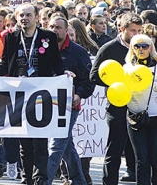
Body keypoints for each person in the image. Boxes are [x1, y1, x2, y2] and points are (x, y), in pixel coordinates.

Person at [0, 4, 68, 185]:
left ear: (37, 17)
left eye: (28, 15)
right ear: (17, 18)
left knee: (40, 140)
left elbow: (56, 63)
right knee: (24, 141)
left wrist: (64, 73)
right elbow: (6, 63)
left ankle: (40, 178)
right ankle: (27, 177)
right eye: (21, 15)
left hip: (41, 95)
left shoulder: (48, 37)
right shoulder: (11, 38)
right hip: (20, 95)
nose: (25, 18)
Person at [90, 12, 143, 185]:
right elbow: (94, 76)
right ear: (122, 29)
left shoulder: (143, 48)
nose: (136, 34)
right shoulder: (109, 48)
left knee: (142, 152)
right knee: (115, 148)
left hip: (139, 105)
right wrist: (116, 81)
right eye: (133, 30)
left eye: (139, 30)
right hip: (117, 105)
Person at [44, 15, 94, 185]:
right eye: (51, 26)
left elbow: (88, 81)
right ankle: (79, 180)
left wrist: (79, 95)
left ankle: (44, 181)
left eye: (58, 27)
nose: (54, 30)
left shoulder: (78, 52)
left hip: (68, 106)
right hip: (45, 104)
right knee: (67, 146)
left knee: (56, 144)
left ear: (67, 30)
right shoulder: (42, 49)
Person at [124, 34, 157, 185]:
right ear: (132, 48)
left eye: (145, 45)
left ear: (151, 48)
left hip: (155, 117)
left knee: (155, 159)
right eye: (137, 46)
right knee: (142, 160)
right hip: (135, 118)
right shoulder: (127, 68)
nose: (141, 49)